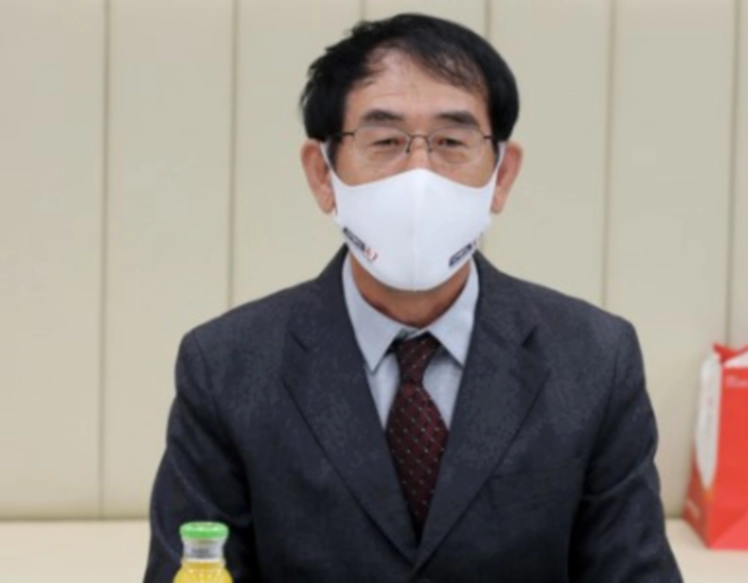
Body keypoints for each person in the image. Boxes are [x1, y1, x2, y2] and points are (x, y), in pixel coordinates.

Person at [145, 13, 682, 582]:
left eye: (451, 142)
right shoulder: (227, 366)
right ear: (323, 175)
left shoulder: (594, 359)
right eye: (385, 141)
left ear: (501, 176)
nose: (419, 174)